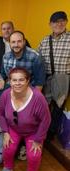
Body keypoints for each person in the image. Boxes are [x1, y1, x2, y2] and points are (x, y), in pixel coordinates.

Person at [0, 67, 51, 171]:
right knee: (8, 149)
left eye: (21, 80)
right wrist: (5, 132)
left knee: (34, 155)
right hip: (13, 129)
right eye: (14, 80)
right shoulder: (5, 95)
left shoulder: (38, 97)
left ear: (27, 81)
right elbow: (1, 114)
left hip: (34, 131)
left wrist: (38, 140)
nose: (17, 83)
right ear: (9, 81)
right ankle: (8, 167)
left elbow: (46, 120)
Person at [38, 11, 70, 141]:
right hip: (47, 78)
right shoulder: (45, 40)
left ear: (66, 22)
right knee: (43, 105)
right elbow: (38, 59)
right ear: (50, 24)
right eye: (55, 21)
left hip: (63, 77)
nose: (59, 24)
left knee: (58, 106)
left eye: (62, 20)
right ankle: (41, 130)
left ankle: (50, 134)